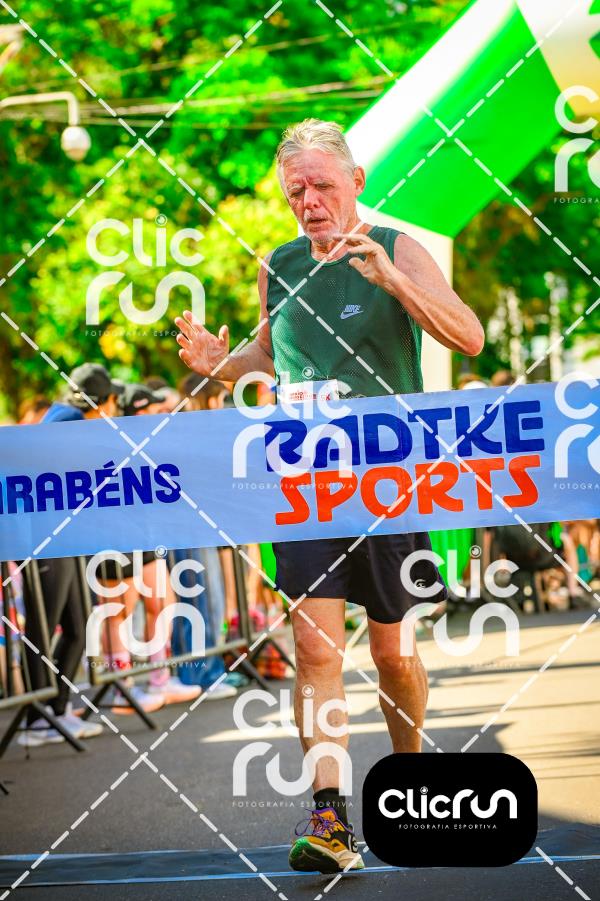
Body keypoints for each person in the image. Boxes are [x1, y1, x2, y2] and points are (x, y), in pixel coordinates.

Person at [175, 118, 484, 873]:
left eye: (321, 186)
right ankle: (330, 820)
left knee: (391, 651)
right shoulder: (278, 264)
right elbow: (267, 354)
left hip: (388, 482)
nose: (309, 202)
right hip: (306, 482)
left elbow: (469, 337)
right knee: (314, 646)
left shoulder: (397, 248)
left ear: (356, 183)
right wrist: (222, 364)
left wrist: (395, 282)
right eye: (296, 192)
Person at [18, 363, 122, 746]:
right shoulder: (65, 422)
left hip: (66, 542)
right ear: (101, 401)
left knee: (78, 627)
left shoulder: (72, 421)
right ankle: (36, 720)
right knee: (42, 631)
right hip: (46, 542)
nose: (114, 411)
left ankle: (57, 711)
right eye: (112, 402)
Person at [93, 383, 203, 712]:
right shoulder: (112, 439)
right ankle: (122, 688)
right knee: (118, 613)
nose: (160, 413)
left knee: (162, 603)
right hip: (116, 536)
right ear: (140, 410)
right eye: (154, 408)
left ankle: (159, 680)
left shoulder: (153, 439)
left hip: (148, 534)